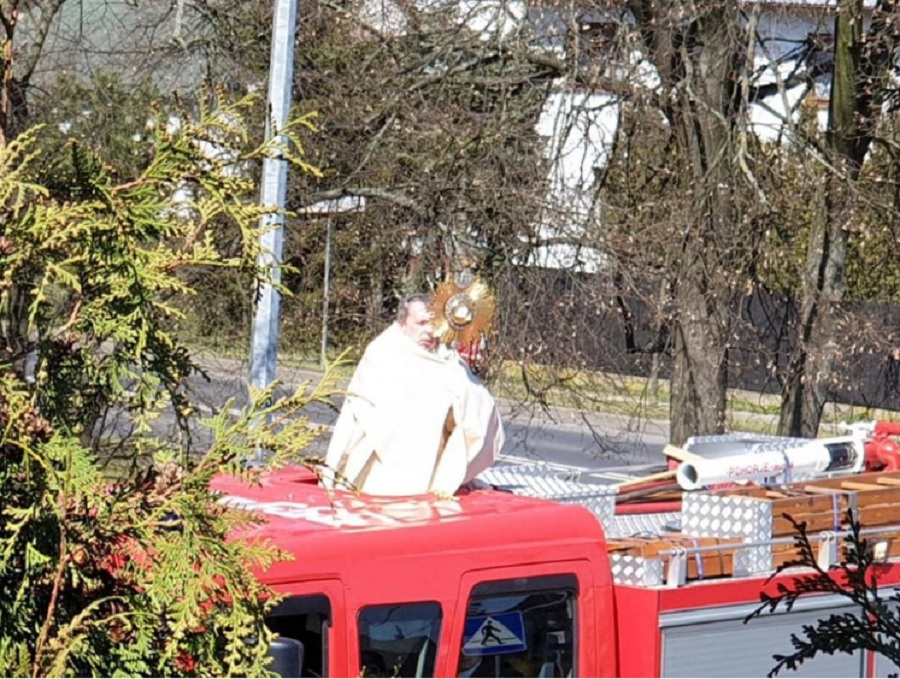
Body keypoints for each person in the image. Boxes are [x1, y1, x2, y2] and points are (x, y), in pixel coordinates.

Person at [321, 293, 504, 496]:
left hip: (430, 472)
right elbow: (359, 415)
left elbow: (479, 412)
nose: (429, 331)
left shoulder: (449, 362)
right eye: (421, 323)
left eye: (434, 323)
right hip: (379, 475)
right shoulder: (383, 354)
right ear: (402, 323)